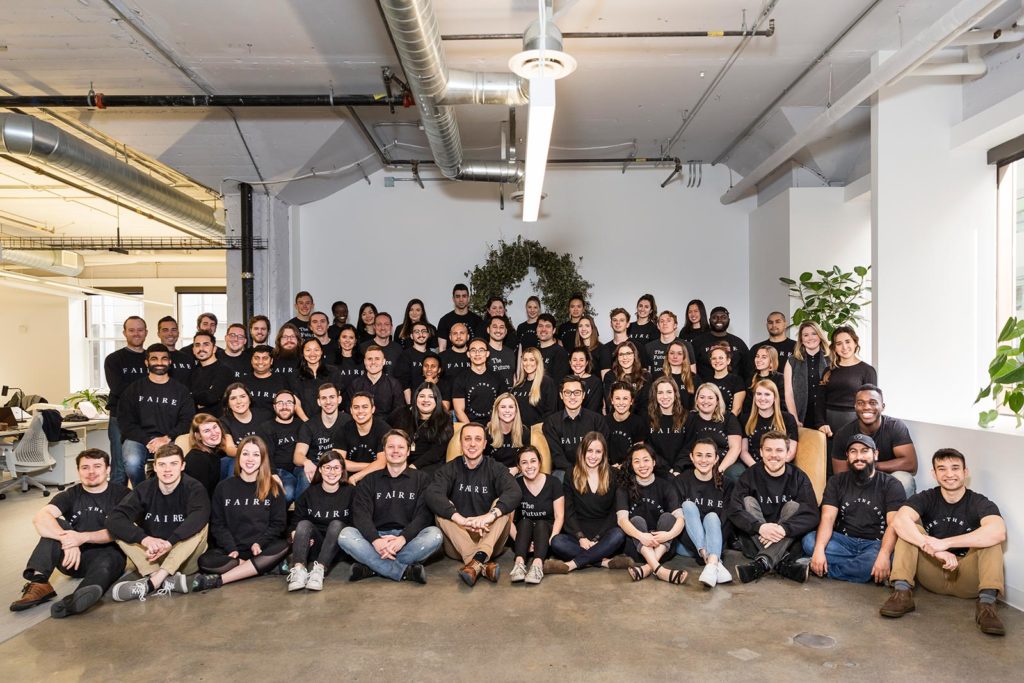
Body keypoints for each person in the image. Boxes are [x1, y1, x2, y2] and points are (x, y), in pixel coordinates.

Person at [880, 448, 1006, 636]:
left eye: (955, 468)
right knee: (911, 529)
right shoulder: (927, 497)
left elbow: (999, 532)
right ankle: (901, 594)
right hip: (933, 571)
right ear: (934, 474)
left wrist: (945, 543)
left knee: (991, 540)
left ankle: (987, 606)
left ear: (965, 472)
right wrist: (934, 549)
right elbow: (899, 521)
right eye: (942, 469)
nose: (949, 474)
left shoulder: (979, 502)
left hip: (967, 577)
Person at [10, 449, 128, 618]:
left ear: (108, 469)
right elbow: (40, 518)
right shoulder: (71, 494)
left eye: (97, 466)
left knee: (108, 561)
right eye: (85, 467)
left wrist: (81, 537)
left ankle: (76, 600)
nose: (91, 472)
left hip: (107, 555)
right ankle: (39, 583)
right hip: (72, 558)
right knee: (56, 523)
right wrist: (67, 539)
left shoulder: (122, 494)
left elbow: (122, 531)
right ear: (78, 471)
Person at [105, 444, 210, 602]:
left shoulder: (194, 488)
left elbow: (199, 516)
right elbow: (114, 518)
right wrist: (145, 539)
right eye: (162, 464)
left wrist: (170, 542)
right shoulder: (144, 489)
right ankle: (162, 578)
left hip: (185, 559)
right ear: (154, 467)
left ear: (182, 466)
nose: (167, 469)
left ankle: (152, 583)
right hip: (153, 557)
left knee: (200, 525)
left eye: (173, 464)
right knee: (119, 528)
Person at [338, 430, 443, 583]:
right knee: (345, 534)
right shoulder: (369, 480)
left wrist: (402, 538)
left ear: (408, 451)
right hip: (375, 537)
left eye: (400, 447)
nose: (395, 451)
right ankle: (402, 571)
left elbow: (424, 516)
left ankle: (371, 566)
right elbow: (361, 515)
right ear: (384, 450)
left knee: (435, 534)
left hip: (407, 539)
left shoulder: (422, 479)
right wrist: (375, 540)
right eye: (391, 447)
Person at [425, 422, 521, 586]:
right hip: (457, 541)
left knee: (502, 506)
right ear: (461, 443)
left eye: (478, 439)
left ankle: (475, 563)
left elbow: (514, 492)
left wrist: (489, 517)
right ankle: (481, 562)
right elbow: (432, 494)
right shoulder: (449, 468)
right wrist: (460, 520)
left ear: (484, 444)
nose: (472, 443)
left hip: (490, 536)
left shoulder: (495, 468)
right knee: (442, 510)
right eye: (467, 439)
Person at [804, 434, 905, 584]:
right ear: (847, 456)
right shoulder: (836, 481)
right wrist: (819, 550)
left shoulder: (891, 484)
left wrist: (883, 555)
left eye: (865, 451)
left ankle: (819, 569)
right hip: (843, 542)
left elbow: (893, 525)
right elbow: (828, 518)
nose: (859, 457)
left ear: (875, 454)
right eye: (853, 451)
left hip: (875, 544)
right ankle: (863, 571)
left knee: (887, 556)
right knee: (810, 541)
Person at [192, 436, 289, 592]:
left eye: (256, 455)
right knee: (204, 561)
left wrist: (260, 543)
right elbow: (218, 524)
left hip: (261, 549)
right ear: (238, 457)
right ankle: (261, 567)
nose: (250, 459)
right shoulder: (223, 487)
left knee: (283, 546)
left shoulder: (272, 487)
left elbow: (278, 524)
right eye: (245, 454)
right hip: (233, 551)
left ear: (263, 459)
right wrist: (231, 548)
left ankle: (220, 580)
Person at [728, 431, 819, 584]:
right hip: (755, 539)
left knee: (793, 506)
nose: (773, 455)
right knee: (748, 501)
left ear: (787, 453)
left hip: (788, 541)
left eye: (779, 450)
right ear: (761, 452)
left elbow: (812, 513)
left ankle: (762, 564)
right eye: (768, 450)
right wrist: (759, 527)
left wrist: (784, 529)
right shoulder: (750, 475)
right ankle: (782, 564)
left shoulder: (798, 477)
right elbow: (734, 509)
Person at [544, 433, 631, 574]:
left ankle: (572, 564)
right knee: (556, 542)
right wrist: (581, 537)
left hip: (604, 534)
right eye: (589, 451)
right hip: (578, 532)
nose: (593, 456)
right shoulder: (571, 473)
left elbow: (614, 512)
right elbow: (569, 510)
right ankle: (603, 562)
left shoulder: (614, 474)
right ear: (582, 451)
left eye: (598, 452)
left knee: (619, 535)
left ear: (604, 454)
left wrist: (598, 539)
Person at [118, 343, 195, 487]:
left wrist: (167, 438)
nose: (159, 363)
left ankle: (170, 495)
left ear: (170, 362)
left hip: (171, 438)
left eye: (164, 359)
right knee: (133, 463)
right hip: (139, 439)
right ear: (146, 362)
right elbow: (125, 422)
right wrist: (147, 440)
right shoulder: (133, 389)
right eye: (154, 359)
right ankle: (142, 494)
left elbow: (187, 421)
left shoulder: (181, 391)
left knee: (176, 465)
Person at [616, 444, 686, 584]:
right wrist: (641, 536)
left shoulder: (666, 485)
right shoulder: (624, 487)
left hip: (662, 546)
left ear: (654, 462)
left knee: (668, 518)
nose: (642, 465)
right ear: (632, 465)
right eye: (637, 461)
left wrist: (668, 535)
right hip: (637, 548)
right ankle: (661, 571)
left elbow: (680, 519)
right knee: (635, 520)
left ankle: (648, 568)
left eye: (646, 460)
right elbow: (622, 520)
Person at [831, 385, 918, 496]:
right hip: (859, 481)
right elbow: (840, 474)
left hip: (887, 481)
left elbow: (910, 464)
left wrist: (871, 466)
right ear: (855, 406)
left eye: (872, 402)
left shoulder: (895, 426)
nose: (866, 407)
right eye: (861, 403)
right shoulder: (843, 434)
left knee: (904, 478)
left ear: (882, 406)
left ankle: (899, 513)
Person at [286, 451, 353, 591]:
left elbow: (357, 524)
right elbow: (294, 524)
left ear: (342, 471)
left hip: (339, 547)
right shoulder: (309, 493)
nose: (331, 472)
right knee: (303, 524)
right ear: (320, 470)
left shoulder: (351, 492)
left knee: (336, 524)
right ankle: (299, 570)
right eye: (327, 467)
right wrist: (298, 536)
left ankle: (319, 571)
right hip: (315, 547)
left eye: (336, 468)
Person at [675, 439, 734, 588]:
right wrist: (707, 549)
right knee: (687, 505)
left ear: (716, 459)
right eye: (699, 455)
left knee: (713, 517)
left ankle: (711, 561)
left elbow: (727, 522)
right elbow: (678, 520)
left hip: (717, 543)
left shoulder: (728, 484)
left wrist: (715, 546)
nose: (703, 460)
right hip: (688, 547)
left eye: (708, 455)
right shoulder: (681, 481)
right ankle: (712, 561)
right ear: (691, 457)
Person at [103, 315, 149, 485]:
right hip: (120, 418)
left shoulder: (152, 358)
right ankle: (117, 507)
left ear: (146, 333)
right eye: (131, 330)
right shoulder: (114, 360)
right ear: (124, 333)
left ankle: (143, 502)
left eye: (140, 330)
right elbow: (118, 389)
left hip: (147, 419)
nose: (136, 334)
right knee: (119, 466)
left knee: (138, 463)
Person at [509, 447, 564, 585]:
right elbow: (508, 521)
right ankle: (519, 564)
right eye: (524, 462)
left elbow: (559, 516)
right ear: (519, 467)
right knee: (526, 521)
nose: (529, 466)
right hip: (523, 535)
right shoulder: (515, 485)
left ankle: (537, 566)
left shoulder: (554, 483)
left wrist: (551, 539)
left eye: (533, 461)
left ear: (540, 463)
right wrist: (520, 542)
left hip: (546, 533)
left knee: (540, 523)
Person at [817, 326, 878, 437]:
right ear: (834, 348)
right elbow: (820, 401)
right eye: (839, 343)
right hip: (829, 428)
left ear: (855, 343)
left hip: (857, 426)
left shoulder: (868, 371)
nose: (844, 347)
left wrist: (866, 430)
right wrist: (821, 424)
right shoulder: (828, 370)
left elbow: (872, 404)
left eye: (847, 341)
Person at [293, 383, 351, 498]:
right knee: (306, 475)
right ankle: (302, 514)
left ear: (339, 399)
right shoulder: (309, 425)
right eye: (324, 398)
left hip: (339, 464)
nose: (328, 402)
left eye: (332, 397)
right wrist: (306, 462)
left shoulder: (349, 422)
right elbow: (297, 456)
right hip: (314, 464)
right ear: (319, 402)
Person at [543, 376, 609, 476]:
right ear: (561, 395)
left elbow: (603, 451)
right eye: (568, 392)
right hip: (564, 471)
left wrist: (587, 470)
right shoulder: (551, 422)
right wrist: (575, 472)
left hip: (593, 468)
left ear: (583, 395)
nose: (572, 397)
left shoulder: (597, 420)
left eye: (577, 392)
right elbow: (557, 456)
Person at [387, 381, 453, 476]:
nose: (425, 400)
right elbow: (384, 428)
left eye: (431, 397)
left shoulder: (444, 419)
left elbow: (437, 452)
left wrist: (413, 466)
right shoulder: (402, 412)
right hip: (400, 461)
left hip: (429, 465)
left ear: (437, 400)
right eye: (422, 396)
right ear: (416, 398)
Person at [681, 383, 741, 477]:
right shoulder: (689, 418)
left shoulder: (728, 418)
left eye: (710, 398)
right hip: (698, 463)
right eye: (702, 397)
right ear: (696, 400)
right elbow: (685, 447)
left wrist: (719, 470)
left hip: (725, 464)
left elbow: (735, 448)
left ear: (717, 401)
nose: (706, 401)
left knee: (735, 473)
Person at [739, 380, 799, 471]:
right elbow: (744, 452)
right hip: (753, 467)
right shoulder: (745, 419)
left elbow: (791, 452)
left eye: (767, 394)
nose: (762, 398)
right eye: (759, 394)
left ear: (775, 397)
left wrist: (773, 468)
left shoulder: (788, 418)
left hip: (780, 467)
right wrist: (758, 469)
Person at [256, 389, 304, 503]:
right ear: (274, 407)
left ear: (294, 406)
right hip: (278, 470)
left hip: (298, 470)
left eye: (288, 403)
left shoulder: (302, 425)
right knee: (286, 494)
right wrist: (273, 474)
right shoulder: (265, 428)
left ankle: (301, 519)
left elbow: (317, 430)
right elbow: (265, 455)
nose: (284, 406)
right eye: (280, 403)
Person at [783, 320, 830, 428]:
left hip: (826, 417)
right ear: (801, 339)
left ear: (820, 336)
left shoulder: (831, 359)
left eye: (814, 333)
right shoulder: (792, 361)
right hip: (802, 417)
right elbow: (788, 393)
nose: (810, 338)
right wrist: (794, 418)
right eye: (806, 335)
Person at [338, 392, 391, 486]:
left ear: (373, 409)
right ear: (351, 410)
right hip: (349, 478)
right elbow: (338, 462)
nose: (360, 411)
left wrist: (356, 476)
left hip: (377, 478)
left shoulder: (384, 429)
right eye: (356, 407)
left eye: (365, 407)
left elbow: (382, 463)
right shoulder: (344, 429)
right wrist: (371, 466)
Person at [452, 338, 508, 423]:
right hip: (469, 427)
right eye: (473, 350)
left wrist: (494, 426)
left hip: (494, 426)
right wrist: (472, 429)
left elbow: (504, 405)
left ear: (487, 353)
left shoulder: (498, 377)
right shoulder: (460, 379)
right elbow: (459, 411)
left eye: (481, 350)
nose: (477, 354)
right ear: (468, 354)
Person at [289, 338, 344, 421]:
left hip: (330, 421)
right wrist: (308, 423)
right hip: (305, 422)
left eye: (316, 350)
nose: (312, 354)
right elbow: (297, 404)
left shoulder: (333, 372)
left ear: (321, 352)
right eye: (308, 350)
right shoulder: (296, 375)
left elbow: (335, 400)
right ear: (303, 353)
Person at [693, 306, 752, 380]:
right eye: (715, 317)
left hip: (735, 389)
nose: (719, 320)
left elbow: (748, 370)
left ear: (729, 320)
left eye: (723, 317)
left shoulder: (739, 343)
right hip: (706, 388)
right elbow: (691, 370)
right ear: (709, 320)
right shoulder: (698, 342)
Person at [348, 346, 405, 416]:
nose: (373, 362)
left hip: (387, 426)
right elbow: (350, 412)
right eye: (369, 359)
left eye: (377, 359)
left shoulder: (394, 385)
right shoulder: (355, 385)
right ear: (364, 361)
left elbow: (399, 413)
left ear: (383, 361)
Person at [646, 377, 687, 475]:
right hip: (657, 470)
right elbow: (648, 448)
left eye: (669, 392)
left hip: (683, 471)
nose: (665, 396)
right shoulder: (646, 418)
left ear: (675, 394)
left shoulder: (688, 418)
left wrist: (677, 469)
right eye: (660, 393)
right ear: (655, 395)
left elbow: (689, 447)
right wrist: (667, 469)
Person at [183, 413, 230, 498]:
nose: (214, 433)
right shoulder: (197, 459)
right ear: (198, 436)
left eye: (215, 427)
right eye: (207, 431)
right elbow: (199, 495)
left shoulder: (217, 452)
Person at [190, 331, 234, 418]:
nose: (201, 348)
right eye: (197, 345)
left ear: (214, 349)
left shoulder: (224, 371)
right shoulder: (193, 372)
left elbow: (211, 397)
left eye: (206, 344)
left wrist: (191, 396)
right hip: (197, 423)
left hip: (218, 425)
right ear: (193, 350)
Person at [511, 347, 558, 426]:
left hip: (539, 433)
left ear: (538, 361)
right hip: (519, 432)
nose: (528, 363)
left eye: (532, 360)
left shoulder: (547, 383)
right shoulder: (518, 386)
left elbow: (551, 412)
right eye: (525, 360)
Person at [606, 382, 648, 469]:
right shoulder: (603, 421)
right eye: (617, 398)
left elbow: (638, 453)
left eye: (625, 398)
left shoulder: (638, 423)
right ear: (612, 401)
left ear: (631, 401)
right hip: (607, 468)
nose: (621, 403)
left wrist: (623, 466)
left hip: (630, 468)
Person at [602, 341, 650, 415]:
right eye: (621, 354)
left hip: (640, 420)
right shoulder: (610, 376)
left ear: (635, 355)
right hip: (616, 419)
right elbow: (610, 403)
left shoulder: (645, 376)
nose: (625, 357)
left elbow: (646, 404)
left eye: (628, 353)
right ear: (617, 357)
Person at [486, 393, 531, 474]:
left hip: (517, 474)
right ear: (496, 410)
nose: (507, 410)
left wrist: (517, 469)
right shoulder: (488, 433)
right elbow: (483, 461)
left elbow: (527, 460)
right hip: (494, 474)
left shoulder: (524, 432)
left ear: (516, 410)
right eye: (503, 407)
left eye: (511, 407)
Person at [645, 311, 696, 379]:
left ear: (675, 325)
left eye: (668, 320)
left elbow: (693, 372)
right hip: (656, 386)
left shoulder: (686, 345)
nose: (665, 323)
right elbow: (646, 373)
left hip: (680, 386)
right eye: (662, 321)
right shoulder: (649, 347)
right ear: (658, 326)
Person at [221, 382, 264, 460]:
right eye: (233, 398)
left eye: (243, 396)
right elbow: (229, 449)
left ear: (249, 399)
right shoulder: (223, 421)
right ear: (228, 404)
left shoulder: (265, 415)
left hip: (265, 458)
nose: (239, 401)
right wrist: (250, 456)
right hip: (240, 460)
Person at [243, 344, 286, 418]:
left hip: (273, 427)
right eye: (256, 358)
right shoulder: (242, 382)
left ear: (271, 361)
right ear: (251, 360)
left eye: (265, 358)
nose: (260, 362)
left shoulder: (282, 382)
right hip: (246, 426)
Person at [702, 345, 746, 417]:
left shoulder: (737, 380)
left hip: (729, 423)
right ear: (710, 361)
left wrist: (726, 424)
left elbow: (737, 409)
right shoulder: (706, 382)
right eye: (714, 358)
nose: (717, 361)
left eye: (721, 358)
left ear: (728, 360)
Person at [436, 284, 482, 351]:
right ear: (453, 299)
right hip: (450, 360)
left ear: (468, 298)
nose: (461, 299)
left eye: (464, 296)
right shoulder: (444, 320)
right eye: (458, 296)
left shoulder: (477, 320)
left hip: (471, 360)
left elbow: (480, 344)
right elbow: (442, 348)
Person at [395, 321, 432, 401]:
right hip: (412, 402)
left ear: (428, 335)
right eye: (417, 332)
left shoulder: (434, 356)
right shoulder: (405, 356)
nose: (421, 334)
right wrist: (410, 405)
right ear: (411, 336)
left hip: (430, 401)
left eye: (424, 331)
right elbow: (404, 383)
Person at [743, 345, 784, 414]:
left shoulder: (780, 379)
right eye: (757, 356)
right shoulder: (751, 379)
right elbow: (747, 406)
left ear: (771, 361)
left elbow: (783, 404)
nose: (758, 360)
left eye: (764, 357)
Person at [158, 315, 194, 386]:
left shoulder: (188, 358)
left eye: (173, 330)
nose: (170, 334)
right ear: (158, 334)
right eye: (165, 330)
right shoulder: (152, 358)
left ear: (178, 333)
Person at [660, 340, 696, 410]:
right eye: (672, 353)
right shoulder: (658, 377)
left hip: (687, 418)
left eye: (679, 353)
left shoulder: (693, 378)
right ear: (667, 355)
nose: (675, 356)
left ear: (684, 357)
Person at [484, 315, 518, 388]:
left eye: (501, 327)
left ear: (506, 331)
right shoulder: (483, 352)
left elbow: (513, 377)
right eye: (495, 327)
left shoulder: (510, 353)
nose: (498, 330)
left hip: (508, 396)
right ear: (488, 330)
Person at [568, 347, 604, 413]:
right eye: (574, 360)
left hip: (590, 420)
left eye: (581, 360)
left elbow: (594, 408)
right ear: (570, 362)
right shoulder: (565, 382)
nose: (578, 363)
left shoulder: (595, 382)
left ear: (586, 362)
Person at [536, 313, 570, 382]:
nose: (543, 329)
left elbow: (559, 383)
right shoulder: (533, 352)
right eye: (540, 326)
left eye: (548, 326)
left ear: (554, 330)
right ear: (536, 329)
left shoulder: (560, 353)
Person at [601, 308, 631, 378]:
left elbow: (643, 374)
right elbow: (605, 376)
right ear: (611, 324)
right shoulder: (605, 349)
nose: (618, 323)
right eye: (615, 320)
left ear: (628, 324)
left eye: (622, 320)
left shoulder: (637, 346)